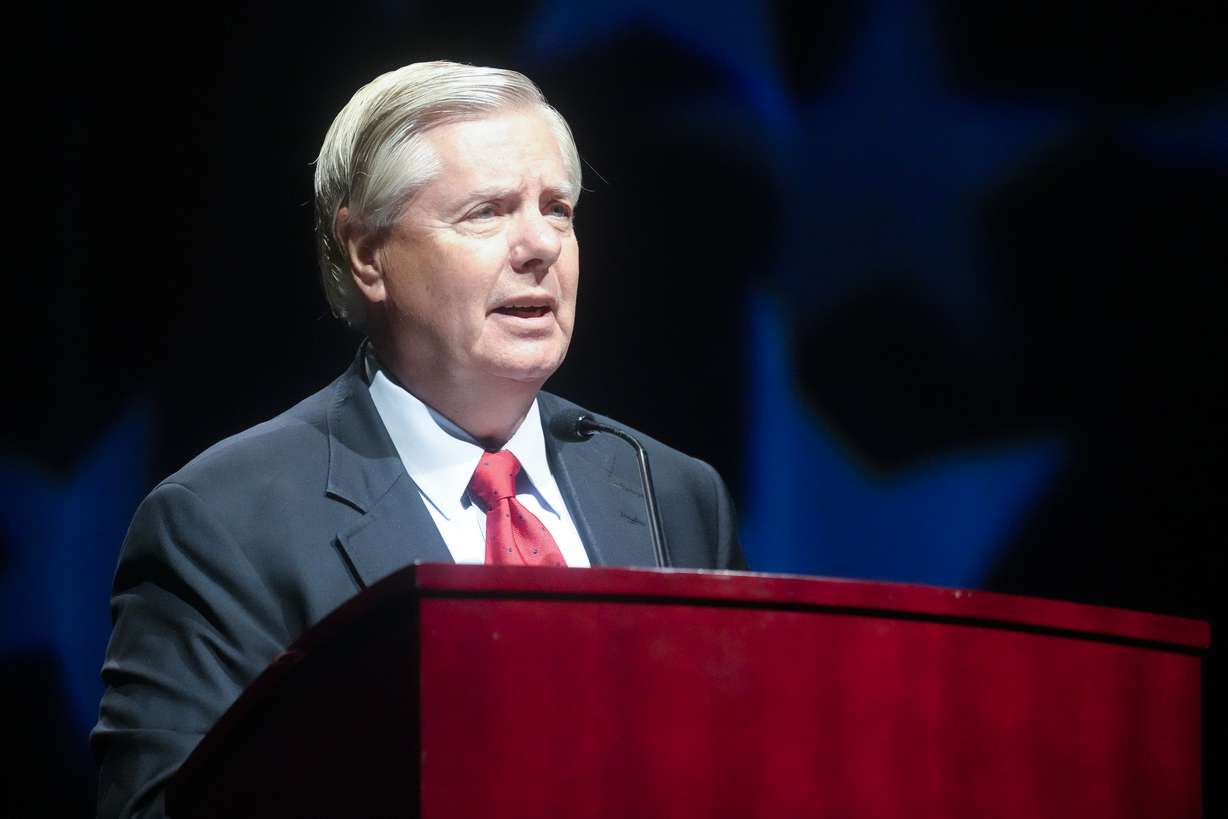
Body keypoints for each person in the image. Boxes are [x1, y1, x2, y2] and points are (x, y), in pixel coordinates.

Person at [91, 60, 745, 819]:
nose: (540, 245)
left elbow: (750, 767)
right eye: (486, 212)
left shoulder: (672, 495)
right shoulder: (223, 523)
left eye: (557, 209)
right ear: (367, 255)